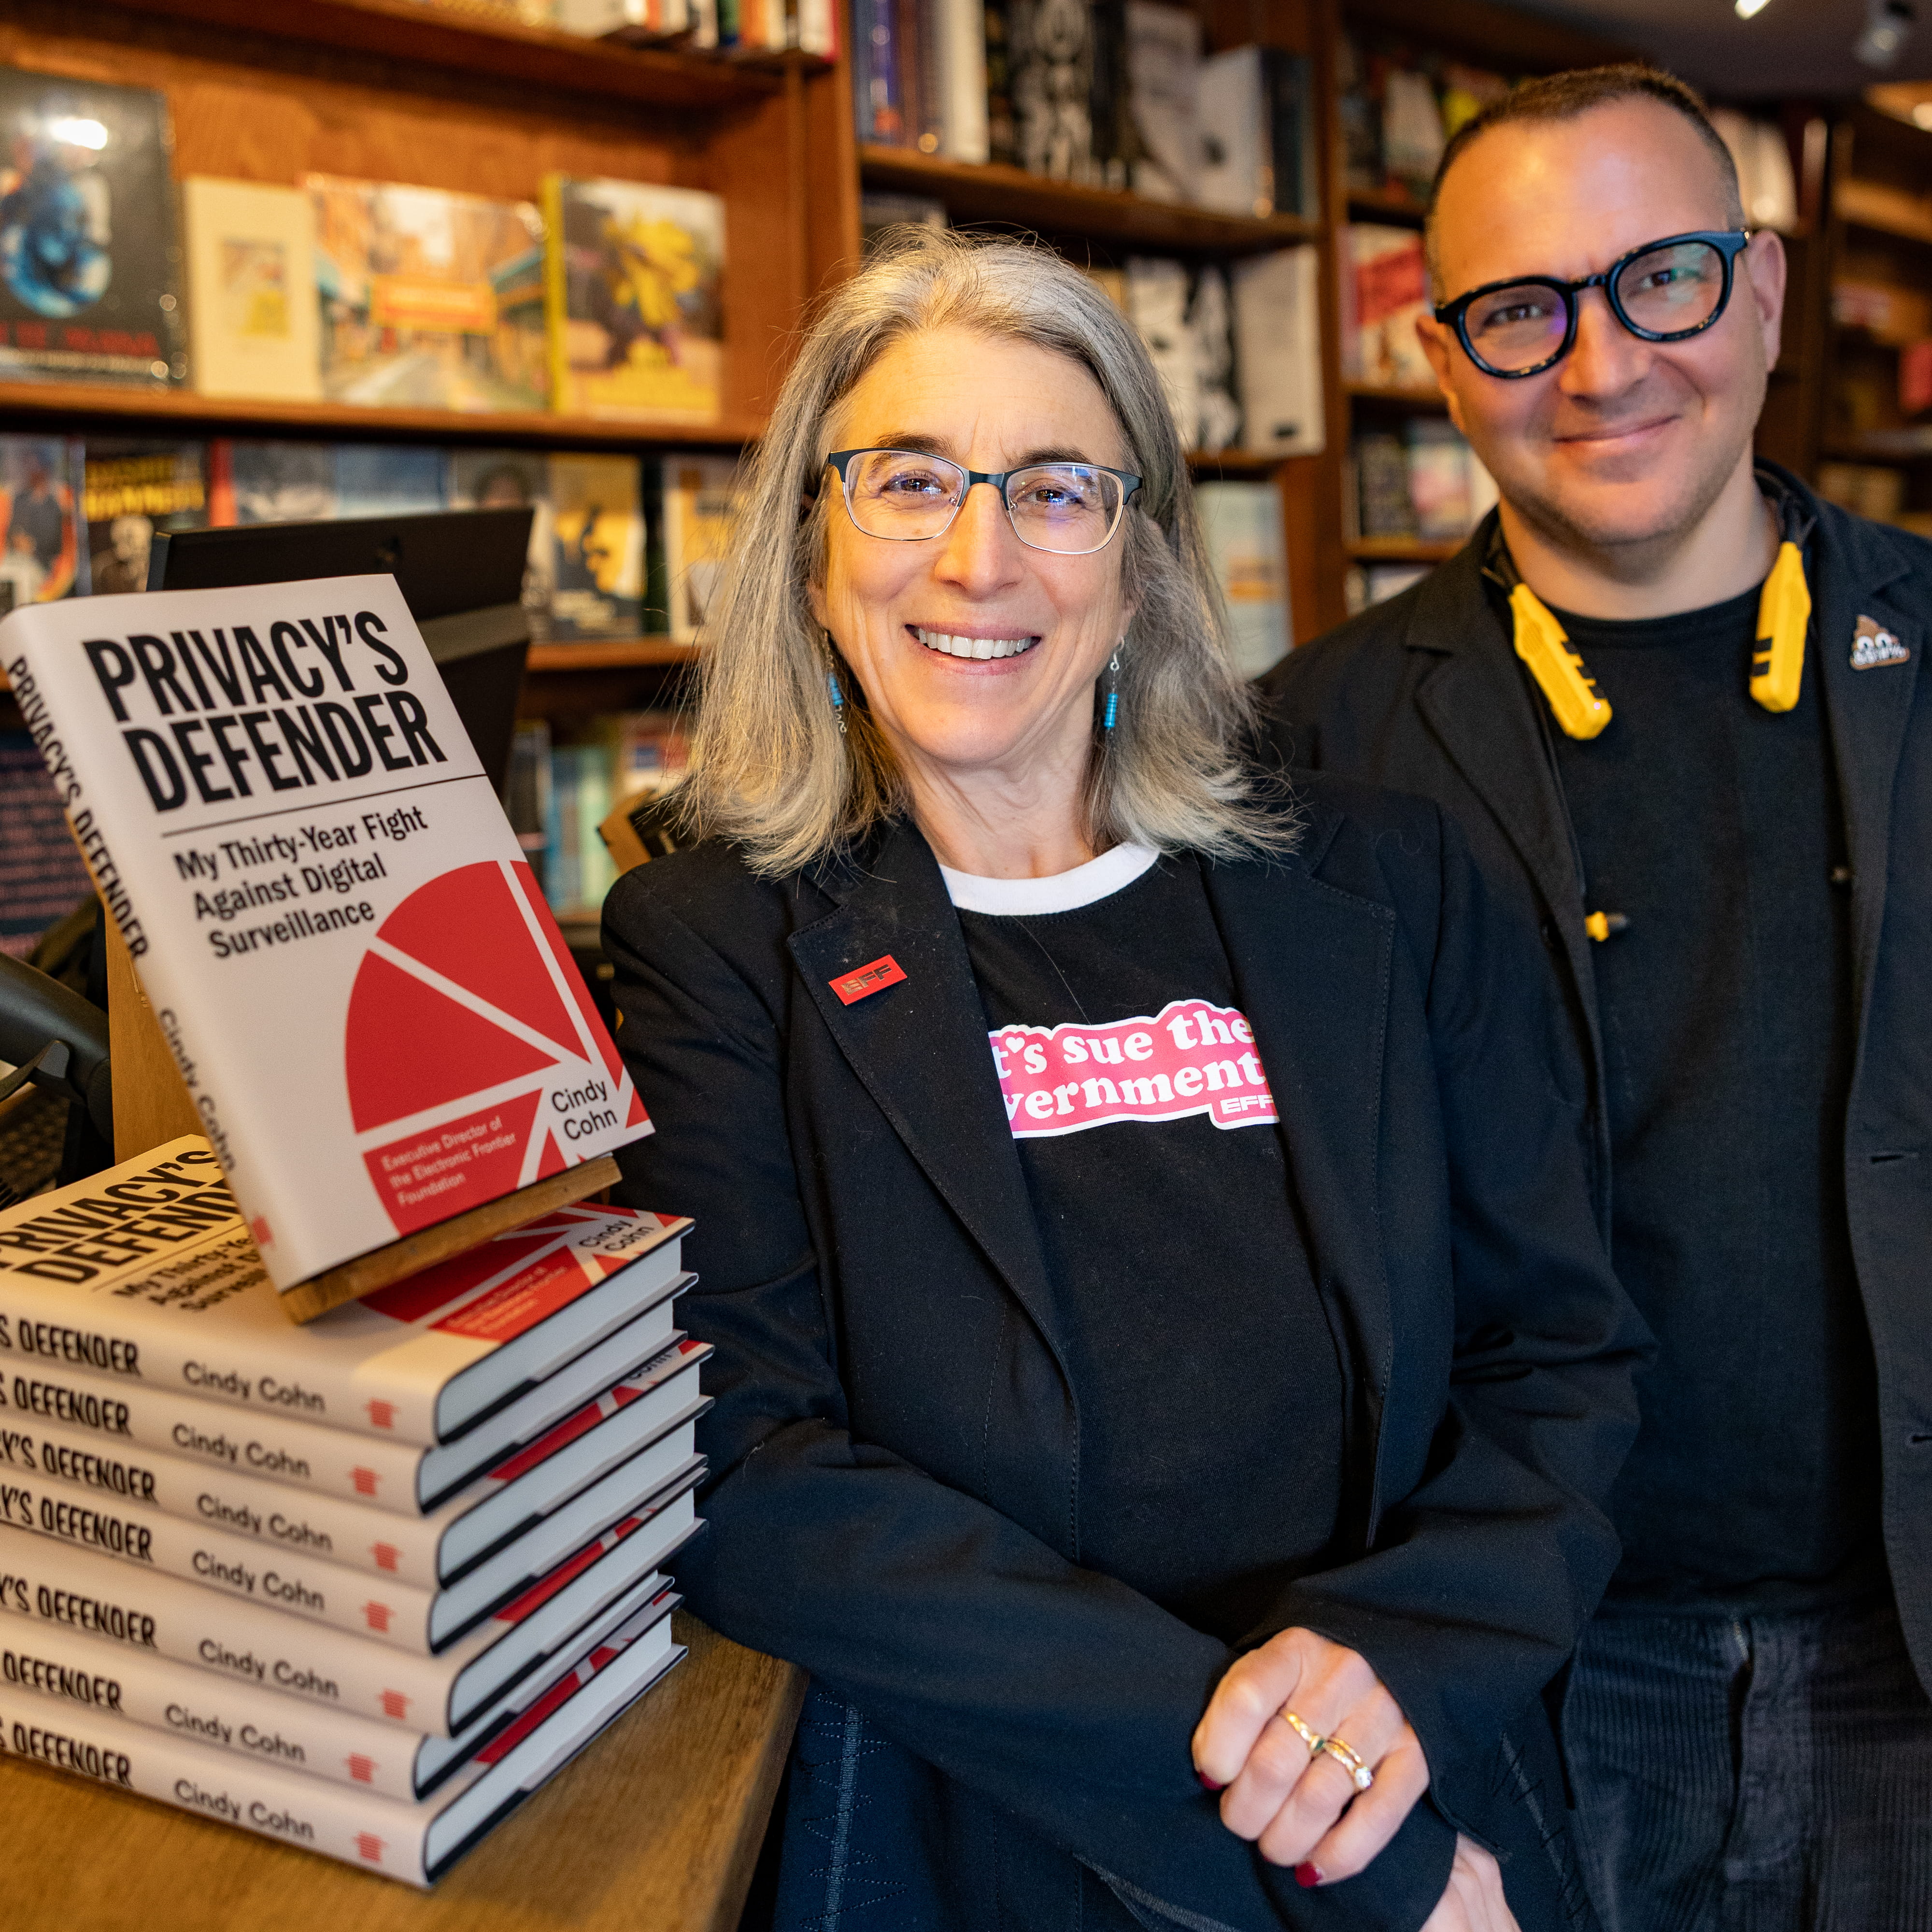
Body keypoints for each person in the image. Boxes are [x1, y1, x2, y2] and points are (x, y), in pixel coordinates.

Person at [604, 229, 1646, 1932]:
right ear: (812, 549)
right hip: (992, 1846)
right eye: (908, 481)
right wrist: (1295, 1794)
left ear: (1143, 562)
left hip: (1421, 1762)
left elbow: (1560, 1358)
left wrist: (1395, 1664)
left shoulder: (1387, 882)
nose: (978, 558)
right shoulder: (715, 943)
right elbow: (747, 1466)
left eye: (1055, 491)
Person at [1264, 64, 1932, 1932]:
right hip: (1536, 1670)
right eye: (1521, 310)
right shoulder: (1302, 751)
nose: (1604, 362)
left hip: (1917, 1641)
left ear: (1765, 292)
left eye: (1665, 280)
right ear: (1443, 357)